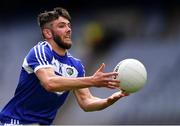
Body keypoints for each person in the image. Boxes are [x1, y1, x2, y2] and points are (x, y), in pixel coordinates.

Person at [0, 7, 128, 125]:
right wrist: (92, 81)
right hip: (15, 122)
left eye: (69, 25)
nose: (68, 29)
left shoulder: (76, 65)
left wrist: (107, 101)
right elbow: (50, 83)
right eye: (62, 26)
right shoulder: (40, 51)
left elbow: (86, 101)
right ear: (48, 33)